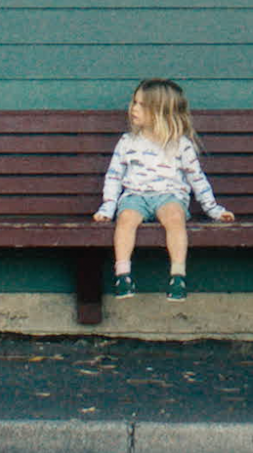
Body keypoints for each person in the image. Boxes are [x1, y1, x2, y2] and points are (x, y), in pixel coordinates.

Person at [93, 78, 235, 300]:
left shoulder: (180, 144)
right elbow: (114, 177)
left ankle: (177, 276)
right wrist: (107, 208)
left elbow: (197, 178)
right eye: (134, 102)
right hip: (135, 196)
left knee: (175, 218)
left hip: (169, 197)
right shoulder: (127, 142)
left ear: (161, 112)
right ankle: (123, 275)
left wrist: (214, 209)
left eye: (142, 105)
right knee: (126, 219)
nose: (134, 108)